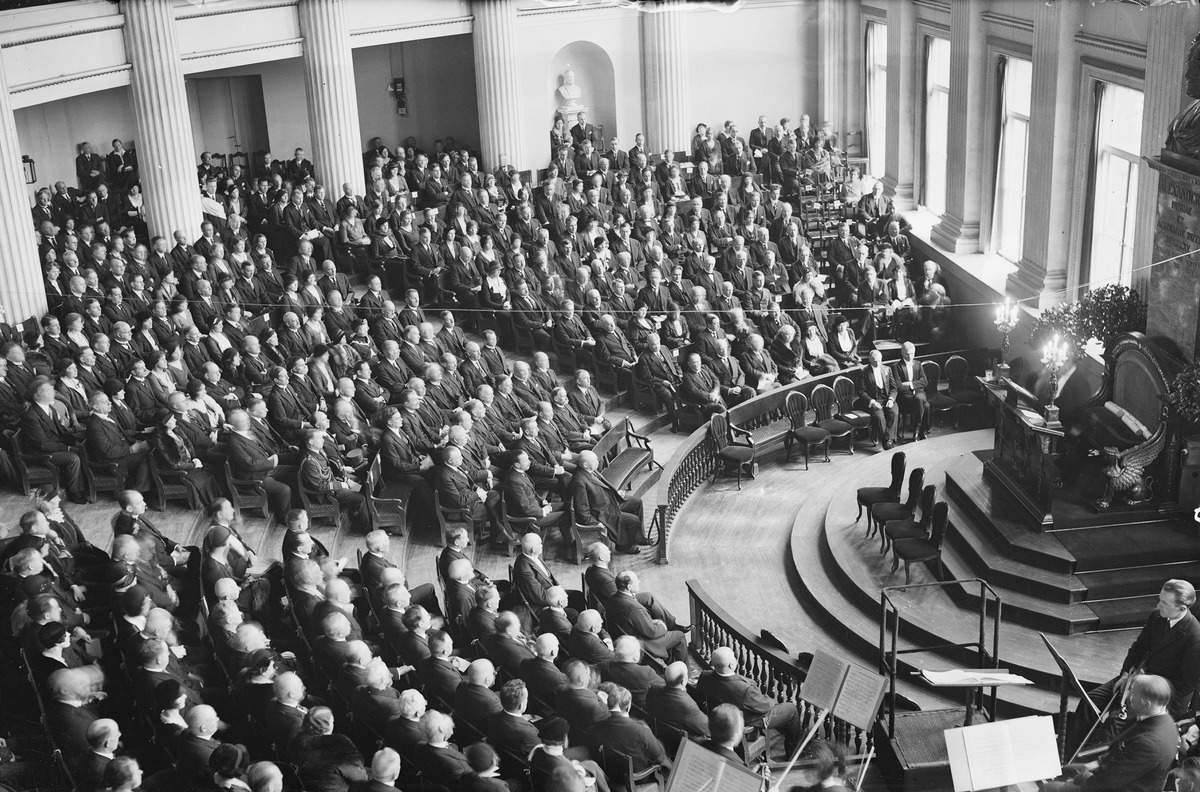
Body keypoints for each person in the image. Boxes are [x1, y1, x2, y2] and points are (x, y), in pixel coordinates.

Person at [1070, 579, 1200, 754]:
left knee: (1115, 722)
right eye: (1160, 599)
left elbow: (1186, 685)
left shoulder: (1195, 636)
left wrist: (1143, 687)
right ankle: (1068, 755)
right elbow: (1139, 648)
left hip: (1163, 695)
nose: (1158, 605)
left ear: (1182, 608)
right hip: (1136, 680)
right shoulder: (1157, 616)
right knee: (1089, 701)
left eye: (1164, 602)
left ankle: (1085, 766)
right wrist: (1125, 675)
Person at [1045, 675, 1179, 792]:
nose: (1128, 697)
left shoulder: (1149, 744)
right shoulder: (1160, 719)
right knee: (1066, 770)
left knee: (1049, 788)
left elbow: (1109, 781)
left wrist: (1073, 783)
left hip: (1120, 787)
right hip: (1114, 773)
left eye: (1132, 693)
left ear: (1146, 703)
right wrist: (1094, 764)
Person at [695, 646, 801, 761]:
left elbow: (700, 698)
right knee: (791, 709)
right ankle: (793, 754)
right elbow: (765, 707)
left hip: (720, 716)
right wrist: (770, 700)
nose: (736, 659)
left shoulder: (705, 676)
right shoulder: (744, 688)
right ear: (731, 665)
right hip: (748, 720)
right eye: (734, 658)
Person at [570, 450, 646, 554]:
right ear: (585, 464)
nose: (598, 462)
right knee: (634, 520)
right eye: (594, 460)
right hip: (602, 512)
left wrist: (616, 494)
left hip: (608, 502)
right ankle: (624, 546)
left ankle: (638, 537)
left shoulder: (588, 470)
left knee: (636, 502)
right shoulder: (579, 482)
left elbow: (601, 488)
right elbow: (582, 511)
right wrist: (596, 523)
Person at [857, 350, 898, 450]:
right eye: (875, 361)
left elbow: (894, 388)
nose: (877, 363)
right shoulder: (864, 371)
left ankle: (888, 439)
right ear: (870, 360)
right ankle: (887, 441)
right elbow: (861, 391)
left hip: (887, 399)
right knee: (880, 417)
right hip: (873, 400)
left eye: (879, 361)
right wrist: (872, 402)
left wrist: (891, 399)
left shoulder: (887, 369)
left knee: (894, 412)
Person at [892, 342, 929, 440]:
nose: (910, 356)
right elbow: (899, 386)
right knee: (925, 405)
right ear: (902, 353)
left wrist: (910, 384)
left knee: (919, 399)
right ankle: (920, 431)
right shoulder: (896, 366)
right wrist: (916, 383)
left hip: (919, 393)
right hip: (905, 396)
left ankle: (916, 429)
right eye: (907, 354)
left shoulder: (918, 364)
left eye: (912, 353)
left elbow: (925, 382)